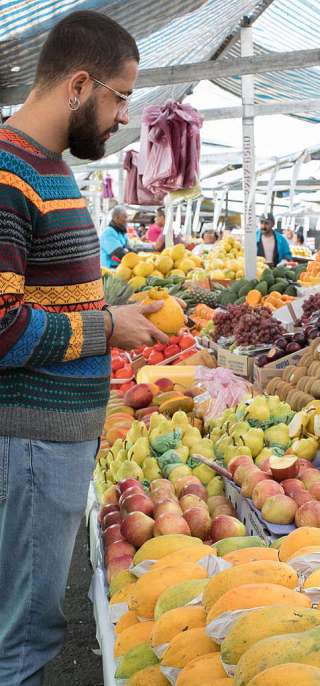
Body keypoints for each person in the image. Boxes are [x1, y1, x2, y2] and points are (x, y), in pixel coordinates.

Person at [0, 11, 170, 685]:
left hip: (48, 444)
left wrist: (106, 313)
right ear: (78, 85)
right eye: (120, 96)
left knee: (26, 623)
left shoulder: (44, 168)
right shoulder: (10, 175)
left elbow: (40, 303)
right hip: (30, 444)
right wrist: (108, 328)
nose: (124, 116)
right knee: (23, 638)